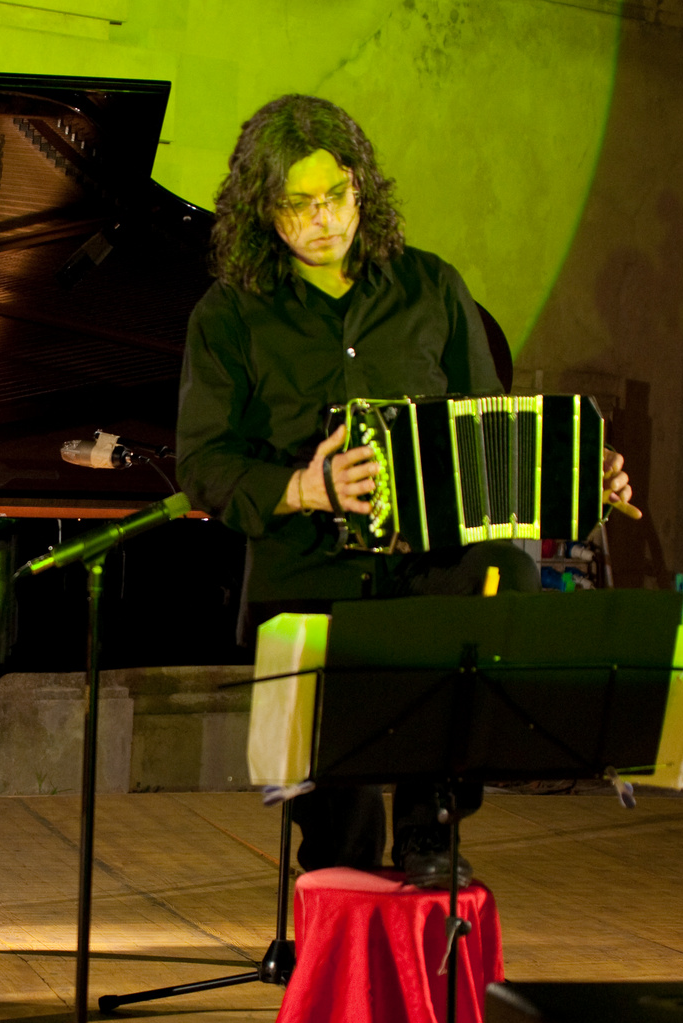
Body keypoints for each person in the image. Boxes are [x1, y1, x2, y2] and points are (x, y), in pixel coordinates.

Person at [176, 95, 632, 887]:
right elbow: (203, 463)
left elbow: (497, 438)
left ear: (361, 187)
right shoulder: (228, 316)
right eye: (300, 205)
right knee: (340, 844)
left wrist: (581, 473)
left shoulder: (431, 289)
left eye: (338, 196)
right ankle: (339, 960)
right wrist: (303, 486)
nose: (326, 221)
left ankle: (434, 861)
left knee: (501, 583)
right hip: (310, 582)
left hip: (432, 576)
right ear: (262, 209)